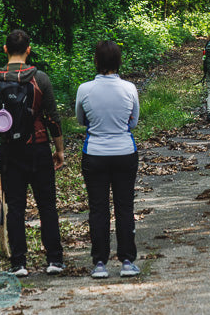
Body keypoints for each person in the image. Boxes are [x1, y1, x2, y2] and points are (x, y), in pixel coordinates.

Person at [0, 29, 65, 277]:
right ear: (28, 50)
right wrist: (59, 149)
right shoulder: (39, 78)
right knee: (47, 206)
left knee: (15, 208)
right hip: (38, 148)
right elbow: (52, 117)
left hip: (10, 151)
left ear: (5, 49)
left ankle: (18, 263)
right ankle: (54, 260)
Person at [75, 41, 141, 279]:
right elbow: (133, 123)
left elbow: (81, 119)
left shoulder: (85, 89)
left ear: (96, 61)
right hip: (124, 152)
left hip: (94, 153)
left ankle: (100, 263)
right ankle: (126, 261)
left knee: (98, 209)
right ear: (118, 61)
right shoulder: (129, 88)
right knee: (125, 207)